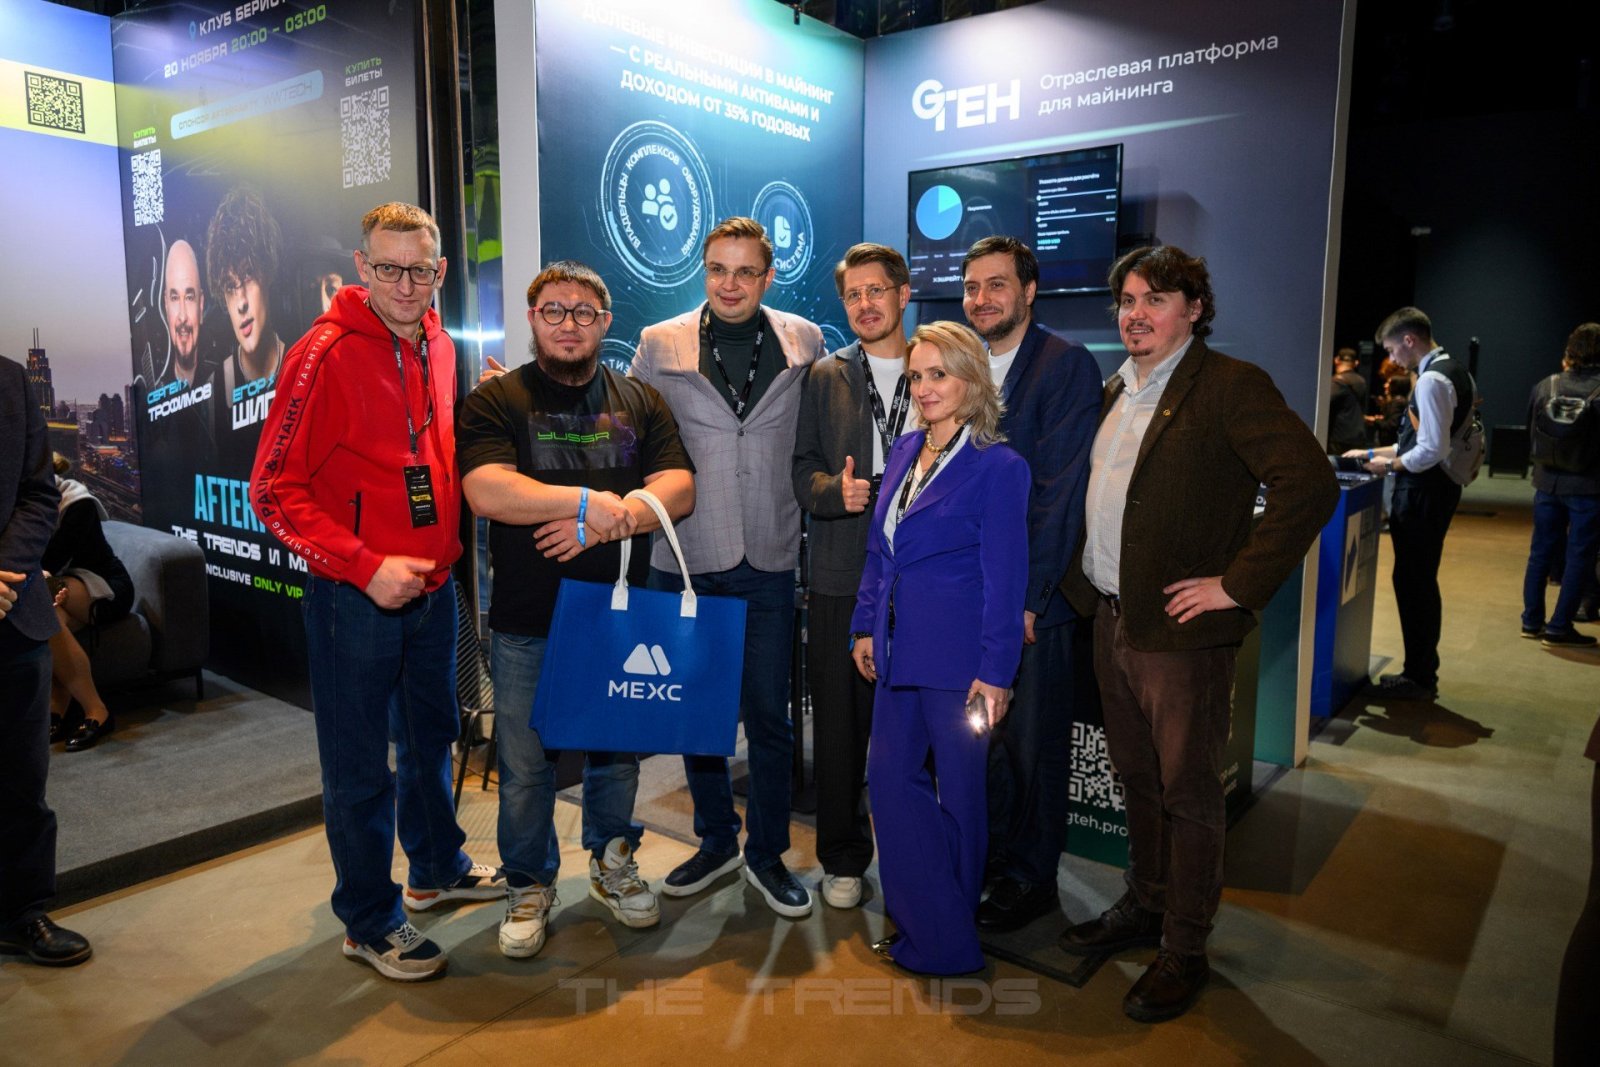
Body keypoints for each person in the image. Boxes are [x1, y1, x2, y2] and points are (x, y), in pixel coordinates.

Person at [1061, 245, 1337, 1022]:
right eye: (1127, 300)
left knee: (1188, 794)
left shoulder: (1229, 386)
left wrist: (1235, 585)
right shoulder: (1117, 387)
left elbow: (1309, 482)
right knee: (1137, 779)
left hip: (1182, 637)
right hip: (1112, 618)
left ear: (1194, 309)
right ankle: (1145, 903)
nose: (1135, 313)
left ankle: (1185, 945)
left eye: (1155, 299)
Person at [251, 202, 501, 981]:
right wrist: (362, 565)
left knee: (430, 738)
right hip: (353, 599)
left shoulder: (438, 342)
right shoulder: (320, 353)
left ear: (440, 271)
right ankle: (367, 919)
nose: (404, 284)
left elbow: (422, 447)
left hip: (433, 587)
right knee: (359, 767)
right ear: (362, 267)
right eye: (387, 268)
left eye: (419, 270)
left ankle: (435, 867)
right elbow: (271, 490)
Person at [459, 261, 694, 958]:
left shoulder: (640, 399)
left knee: (615, 758)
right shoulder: (497, 400)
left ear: (605, 321)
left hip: (617, 620)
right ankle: (529, 883)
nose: (569, 323)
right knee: (526, 768)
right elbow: (488, 490)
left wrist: (606, 526)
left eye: (584, 312)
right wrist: (590, 502)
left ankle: (612, 862)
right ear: (533, 319)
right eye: (554, 311)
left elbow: (679, 487)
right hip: (527, 619)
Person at [631, 216, 824, 917]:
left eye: (745, 271)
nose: (730, 284)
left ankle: (767, 854)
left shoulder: (805, 340)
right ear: (704, 271)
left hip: (769, 553)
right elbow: (626, 426)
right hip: (686, 555)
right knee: (695, 715)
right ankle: (715, 840)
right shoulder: (660, 342)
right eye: (718, 269)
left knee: (770, 717)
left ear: (768, 276)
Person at [848, 320, 1029, 975]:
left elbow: (1006, 579)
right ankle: (925, 922)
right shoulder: (904, 449)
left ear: (972, 380)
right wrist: (863, 625)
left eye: (939, 375)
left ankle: (948, 941)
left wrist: (996, 671)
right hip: (896, 652)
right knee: (890, 784)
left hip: (961, 666)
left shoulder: (1000, 467)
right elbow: (880, 551)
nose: (924, 388)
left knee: (961, 800)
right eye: (916, 376)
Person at [960, 235, 1102, 931]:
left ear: (1029, 291)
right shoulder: (967, 365)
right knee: (984, 740)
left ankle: (1031, 876)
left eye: (996, 285)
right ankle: (991, 858)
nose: (981, 298)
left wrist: (1028, 600)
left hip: (1030, 602)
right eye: (971, 287)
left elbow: (1058, 495)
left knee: (1032, 744)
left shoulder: (1064, 365)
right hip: (973, 594)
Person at [791, 242, 912, 911]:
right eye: (853, 295)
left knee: (914, 730)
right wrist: (833, 493)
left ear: (903, 293)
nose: (865, 304)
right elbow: (800, 471)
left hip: (921, 580)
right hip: (842, 576)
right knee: (838, 731)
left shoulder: (940, 365)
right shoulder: (825, 376)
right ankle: (842, 857)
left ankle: (917, 855)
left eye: (876, 290)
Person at [0, 355, 92, 967]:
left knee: (22, 782)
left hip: (14, 615)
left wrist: (3, 573)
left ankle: (22, 913)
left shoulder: (10, 380)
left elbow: (38, 496)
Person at [1343, 307, 1477, 700]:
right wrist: (1373, 452)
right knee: (1418, 580)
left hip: (1422, 492)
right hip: (1434, 489)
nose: (1392, 359)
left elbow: (1431, 450)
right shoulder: (1453, 369)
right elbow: (1420, 440)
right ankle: (1420, 671)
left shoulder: (1433, 379)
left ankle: (1419, 676)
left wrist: (1389, 465)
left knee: (1414, 582)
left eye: (1391, 349)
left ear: (1408, 339)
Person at [43, 453, 134, 751]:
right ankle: (61, 703)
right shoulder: (24, 505)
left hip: (105, 586)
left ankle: (96, 710)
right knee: (49, 618)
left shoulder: (75, 502)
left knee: (41, 608)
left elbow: (50, 562)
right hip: (58, 588)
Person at [1521, 323, 1600, 647]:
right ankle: (1559, 627)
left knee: (1539, 553)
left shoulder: (1546, 385)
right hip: (1589, 486)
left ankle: (1531, 621)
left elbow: (1531, 430)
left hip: (1547, 482)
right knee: (1580, 556)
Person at [208, 186, 285, 398]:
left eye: (248, 275)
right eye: (230, 286)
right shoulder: (214, 389)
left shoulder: (302, 366)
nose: (241, 302)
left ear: (267, 272)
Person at [161, 239, 208, 387]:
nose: (182, 317)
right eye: (175, 298)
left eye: (189, 297)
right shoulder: (155, 388)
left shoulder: (224, 380)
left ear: (201, 305)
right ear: (166, 305)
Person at [1327, 347, 1369, 454]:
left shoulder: (1336, 381)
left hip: (1339, 436)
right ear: (1356, 363)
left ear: (1336, 360)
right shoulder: (1361, 381)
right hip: (1359, 434)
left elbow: (1326, 404)